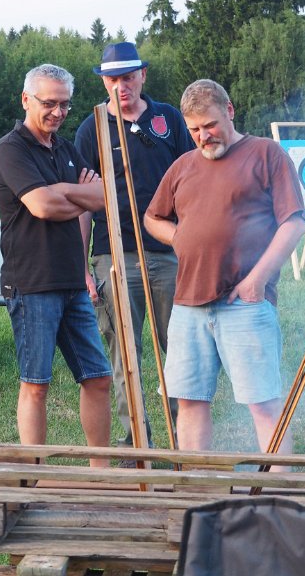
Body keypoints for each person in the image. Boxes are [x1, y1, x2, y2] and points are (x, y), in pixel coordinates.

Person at [144, 79, 305, 457]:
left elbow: (295, 222)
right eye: (195, 130)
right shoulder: (183, 166)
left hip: (244, 304)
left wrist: (257, 280)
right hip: (187, 306)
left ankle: (278, 493)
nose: (203, 136)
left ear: (229, 111)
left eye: (210, 125)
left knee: (263, 404)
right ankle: (199, 487)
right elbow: (152, 217)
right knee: (189, 400)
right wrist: (176, 236)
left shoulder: (267, 154)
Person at [75, 42, 194, 452]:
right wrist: (83, 266)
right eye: (113, 79)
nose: (121, 86)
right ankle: (135, 441)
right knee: (125, 353)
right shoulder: (92, 128)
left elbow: (193, 182)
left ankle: (185, 437)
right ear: (104, 81)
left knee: (178, 349)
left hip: (168, 252)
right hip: (114, 254)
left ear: (143, 75)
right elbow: (83, 203)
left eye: (128, 77)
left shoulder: (168, 119)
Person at [0, 64, 112, 467]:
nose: (58, 113)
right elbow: (42, 205)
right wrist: (73, 193)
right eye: (49, 104)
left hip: (73, 283)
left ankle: (100, 470)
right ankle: (35, 473)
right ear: (26, 100)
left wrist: (65, 191)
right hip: (31, 284)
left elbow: (102, 197)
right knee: (36, 385)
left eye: (64, 105)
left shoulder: (64, 148)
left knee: (98, 378)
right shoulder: (11, 148)